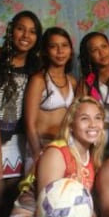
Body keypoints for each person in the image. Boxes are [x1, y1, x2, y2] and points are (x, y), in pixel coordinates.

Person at [0, 11, 42, 217]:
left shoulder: (36, 68)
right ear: (11, 31)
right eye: (21, 29)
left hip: (20, 144)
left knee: (14, 210)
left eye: (32, 31)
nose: (26, 35)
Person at [24, 27, 77, 172]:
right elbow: (29, 124)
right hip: (42, 149)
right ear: (46, 52)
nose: (60, 51)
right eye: (53, 46)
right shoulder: (39, 80)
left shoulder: (72, 81)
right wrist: (37, 156)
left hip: (67, 149)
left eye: (64, 45)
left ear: (71, 50)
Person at [76, 31, 109, 138]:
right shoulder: (85, 83)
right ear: (88, 55)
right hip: (95, 134)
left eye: (104, 46)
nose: (102, 53)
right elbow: (78, 114)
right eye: (95, 50)